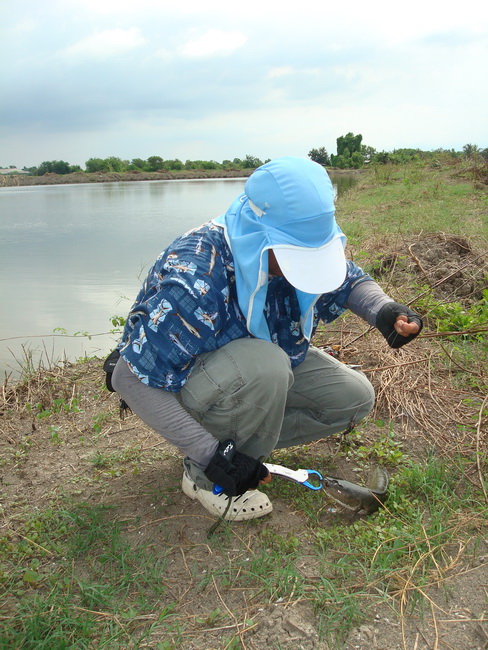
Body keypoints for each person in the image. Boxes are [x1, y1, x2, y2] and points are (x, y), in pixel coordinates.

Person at [111, 156, 422, 521]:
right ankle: (203, 473)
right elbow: (127, 378)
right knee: (268, 365)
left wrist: (384, 310)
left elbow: (349, 280)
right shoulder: (196, 272)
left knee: (352, 398)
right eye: (295, 257)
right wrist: (211, 455)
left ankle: (245, 450)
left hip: (254, 367)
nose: (303, 269)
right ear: (258, 236)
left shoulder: (290, 233)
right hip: (192, 382)